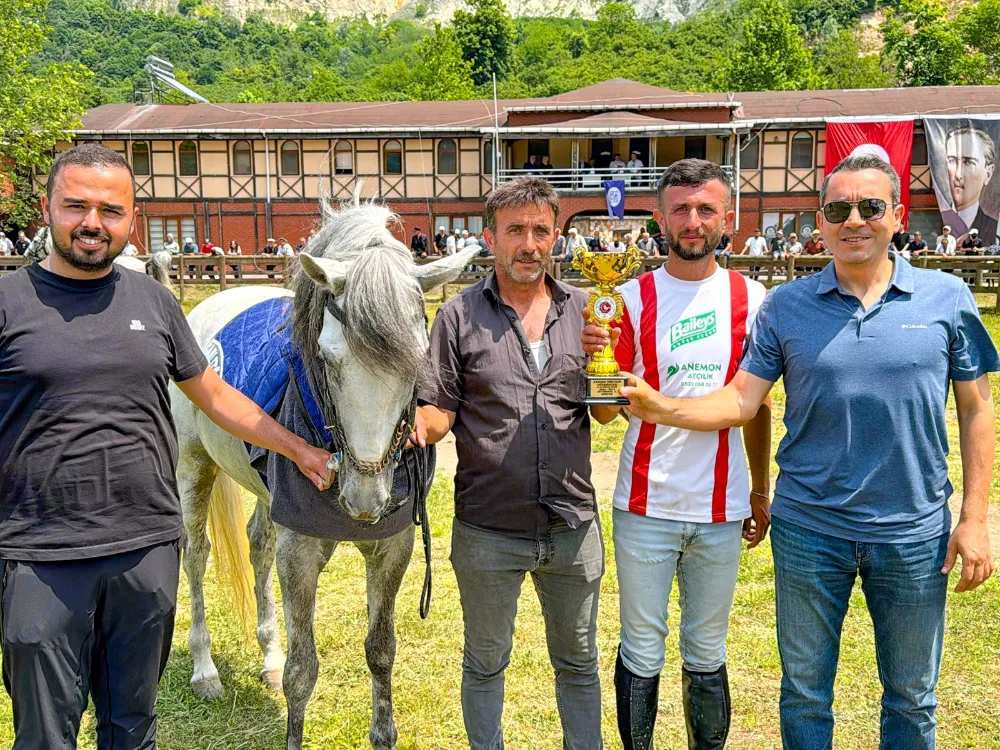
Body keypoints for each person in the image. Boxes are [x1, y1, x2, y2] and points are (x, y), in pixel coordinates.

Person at [615, 154, 999, 750]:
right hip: (809, 530)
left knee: (912, 699)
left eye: (870, 207)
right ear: (820, 222)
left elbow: (977, 409)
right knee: (804, 695)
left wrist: (974, 518)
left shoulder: (947, 297)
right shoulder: (786, 305)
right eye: (838, 209)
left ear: (898, 216)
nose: (854, 220)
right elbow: (743, 400)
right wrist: (661, 407)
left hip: (912, 530)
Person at [0, 143, 333, 750]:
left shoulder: (153, 301)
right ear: (47, 209)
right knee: (45, 733)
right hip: (39, 551)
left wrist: (298, 450)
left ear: (133, 219)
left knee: (133, 726)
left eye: (111, 210)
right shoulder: (7, 303)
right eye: (76, 206)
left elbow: (215, 395)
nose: (93, 223)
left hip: (146, 548)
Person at [581, 158, 772, 750]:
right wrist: (597, 365)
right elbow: (605, 415)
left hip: (722, 508)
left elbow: (757, 407)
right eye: (681, 210)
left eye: (706, 209)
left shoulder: (754, 298)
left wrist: (759, 490)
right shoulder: (628, 298)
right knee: (641, 648)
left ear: (727, 219)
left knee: (707, 650)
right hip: (647, 505)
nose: (693, 221)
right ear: (660, 220)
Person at [413, 177, 603, 750]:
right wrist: (412, 427)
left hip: (572, 527)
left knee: (579, 663)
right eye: (515, 230)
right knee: (485, 662)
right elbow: (439, 410)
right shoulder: (457, 316)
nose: (529, 244)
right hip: (488, 530)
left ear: (556, 237)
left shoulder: (587, 310)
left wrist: (607, 365)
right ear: (490, 237)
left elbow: (607, 415)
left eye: (541, 230)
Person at [942, 126, 997, 242]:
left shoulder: (994, 228)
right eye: (952, 161)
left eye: (968, 162)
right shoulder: (933, 223)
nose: (958, 174)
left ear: (988, 174)